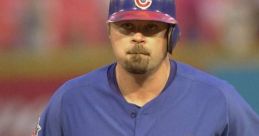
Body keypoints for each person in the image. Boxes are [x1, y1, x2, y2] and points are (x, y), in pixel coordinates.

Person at [34, 0, 259, 135]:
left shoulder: (217, 99)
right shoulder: (71, 100)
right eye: (127, 26)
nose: (138, 37)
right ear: (110, 32)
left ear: (172, 36)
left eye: (151, 27)